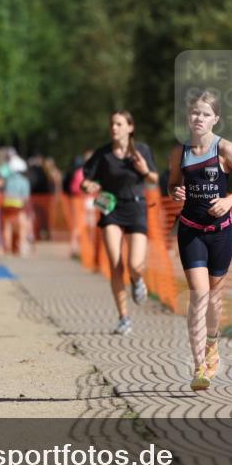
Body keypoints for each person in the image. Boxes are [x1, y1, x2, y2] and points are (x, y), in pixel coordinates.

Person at [167, 90, 232, 391]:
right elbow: (172, 185)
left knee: (214, 303)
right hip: (191, 230)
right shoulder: (179, 152)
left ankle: (212, 344)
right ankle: (198, 368)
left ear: (215, 118)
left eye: (205, 114)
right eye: (194, 112)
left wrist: (229, 201)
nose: (199, 118)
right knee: (199, 296)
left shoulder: (225, 149)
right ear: (188, 117)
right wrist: (175, 192)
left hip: (220, 233)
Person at [81, 111, 159, 335]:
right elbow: (85, 181)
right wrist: (89, 186)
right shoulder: (103, 154)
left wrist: (145, 170)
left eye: (119, 124)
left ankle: (137, 280)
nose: (114, 128)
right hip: (111, 207)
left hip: (136, 207)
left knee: (135, 264)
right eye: (112, 124)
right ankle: (123, 317)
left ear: (130, 127)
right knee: (116, 265)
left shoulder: (141, 150)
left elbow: (154, 178)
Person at [1, 155, 31, 255]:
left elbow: (4, 193)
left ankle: (7, 248)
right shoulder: (24, 181)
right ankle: (21, 246)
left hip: (7, 204)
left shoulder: (8, 180)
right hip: (18, 206)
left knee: (7, 226)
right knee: (22, 226)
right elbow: (25, 198)